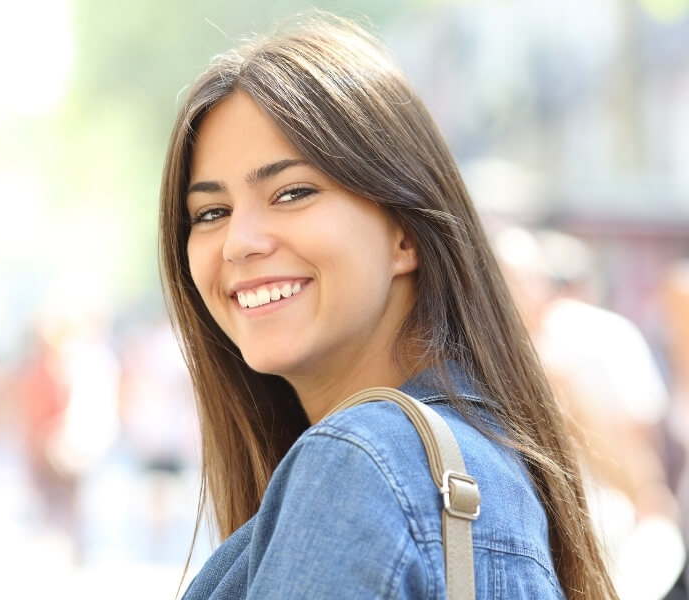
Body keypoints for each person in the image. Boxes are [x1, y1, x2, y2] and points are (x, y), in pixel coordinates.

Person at [159, 13, 616, 599]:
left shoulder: (359, 464)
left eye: (292, 192)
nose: (240, 241)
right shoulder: (493, 468)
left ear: (404, 231)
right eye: (210, 213)